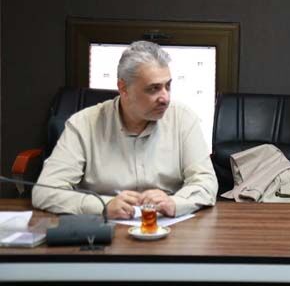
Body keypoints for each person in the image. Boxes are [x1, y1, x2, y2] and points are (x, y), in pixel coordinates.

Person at [32, 41, 218, 219]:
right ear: (123, 88)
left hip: (167, 226)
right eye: (153, 89)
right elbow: (45, 192)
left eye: (168, 86)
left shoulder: (183, 119)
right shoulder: (83, 124)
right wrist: (102, 206)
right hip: (104, 227)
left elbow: (206, 182)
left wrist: (175, 203)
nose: (165, 98)